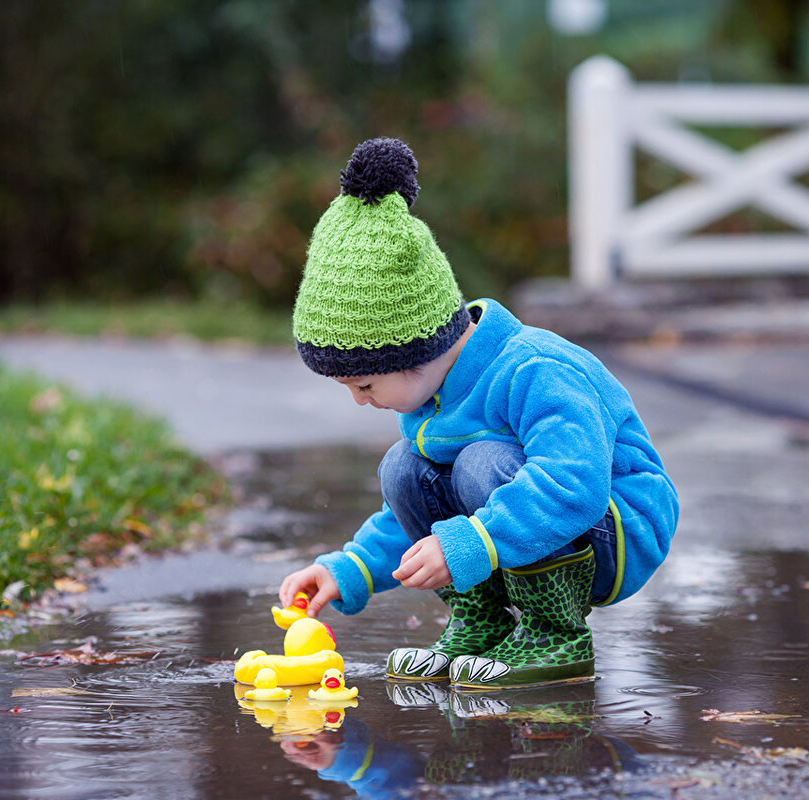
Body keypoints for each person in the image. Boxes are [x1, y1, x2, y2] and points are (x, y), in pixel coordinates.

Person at [279, 138, 678, 690]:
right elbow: (413, 514)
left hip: (615, 530)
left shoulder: (534, 369)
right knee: (405, 468)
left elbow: (575, 482)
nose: (359, 399)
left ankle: (555, 632)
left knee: (480, 463)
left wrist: (472, 543)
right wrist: (349, 569)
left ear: (415, 351)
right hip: (524, 527)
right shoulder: (431, 396)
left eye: (364, 384)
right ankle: (483, 621)